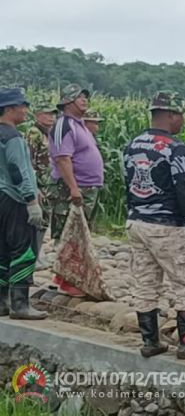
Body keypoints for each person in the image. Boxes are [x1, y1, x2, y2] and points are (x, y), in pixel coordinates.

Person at [123, 91, 185, 360]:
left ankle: (150, 341)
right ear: (170, 115)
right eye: (181, 115)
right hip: (167, 225)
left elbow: (126, 185)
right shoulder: (174, 147)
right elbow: (184, 190)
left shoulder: (132, 144)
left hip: (137, 221)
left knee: (146, 282)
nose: (183, 121)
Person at [47, 84, 104, 297]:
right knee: (70, 233)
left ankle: (66, 277)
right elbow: (63, 158)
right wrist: (73, 187)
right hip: (72, 187)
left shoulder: (79, 124)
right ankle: (68, 281)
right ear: (68, 101)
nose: (84, 100)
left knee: (81, 233)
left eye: (85, 97)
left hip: (87, 187)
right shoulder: (63, 125)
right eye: (80, 97)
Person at [0, 88, 47, 320]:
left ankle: (1, 301)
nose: (25, 110)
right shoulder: (13, 137)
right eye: (22, 106)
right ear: (9, 109)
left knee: (1, 251)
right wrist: (31, 200)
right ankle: (20, 304)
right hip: (14, 198)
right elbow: (18, 170)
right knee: (23, 250)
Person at [24, 105, 56, 271]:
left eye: (53, 114)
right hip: (39, 184)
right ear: (38, 115)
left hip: (48, 183)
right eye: (47, 114)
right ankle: (32, 257)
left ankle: (37, 254)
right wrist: (34, 187)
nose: (51, 117)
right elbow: (28, 160)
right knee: (38, 221)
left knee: (44, 220)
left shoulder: (48, 133)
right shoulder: (34, 133)